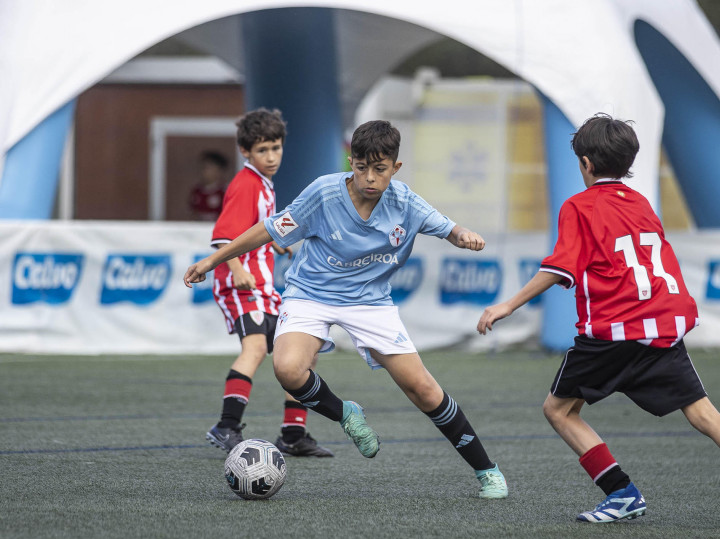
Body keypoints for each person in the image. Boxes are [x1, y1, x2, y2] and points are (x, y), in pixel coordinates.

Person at [477, 114, 720, 528]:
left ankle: (621, 493)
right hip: (662, 326)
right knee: (705, 414)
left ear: (585, 164)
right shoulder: (640, 203)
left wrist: (507, 305)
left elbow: (560, 268)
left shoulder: (579, 206)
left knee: (560, 410)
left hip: (613, 330)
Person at [185, 119, 508, 499]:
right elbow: (268, 230)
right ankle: (346, 415)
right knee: (287, 369)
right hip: (310, 295)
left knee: (423, 389)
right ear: (350, 161)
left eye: (380, 169)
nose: (369, 177)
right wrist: (214, 260)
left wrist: (462, 235)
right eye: (361, 167)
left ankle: (486, 470)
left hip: (371, 303)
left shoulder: (406, 203)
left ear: (396, 167)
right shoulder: (323, 193)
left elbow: (449, 228)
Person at [204, 108, 333, 458]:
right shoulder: (246, 184)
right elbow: (223, 237)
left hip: (263, 289)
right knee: (256, 348)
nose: (272, 156)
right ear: (246, 152)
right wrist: (236, 269)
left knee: (304, 351)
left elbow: (255, 228)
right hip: (241, 286)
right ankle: (226, 427)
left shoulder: (263, 184)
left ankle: (292, 434)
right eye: (263, 150)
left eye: (276, 148)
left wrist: (273, 242)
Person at [189, 151, 229, 221]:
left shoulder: (226, 192)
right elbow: (193, 213)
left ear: (219, 171)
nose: (203, 171)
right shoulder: (197, 191)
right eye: (202, 167)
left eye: (208, 168)